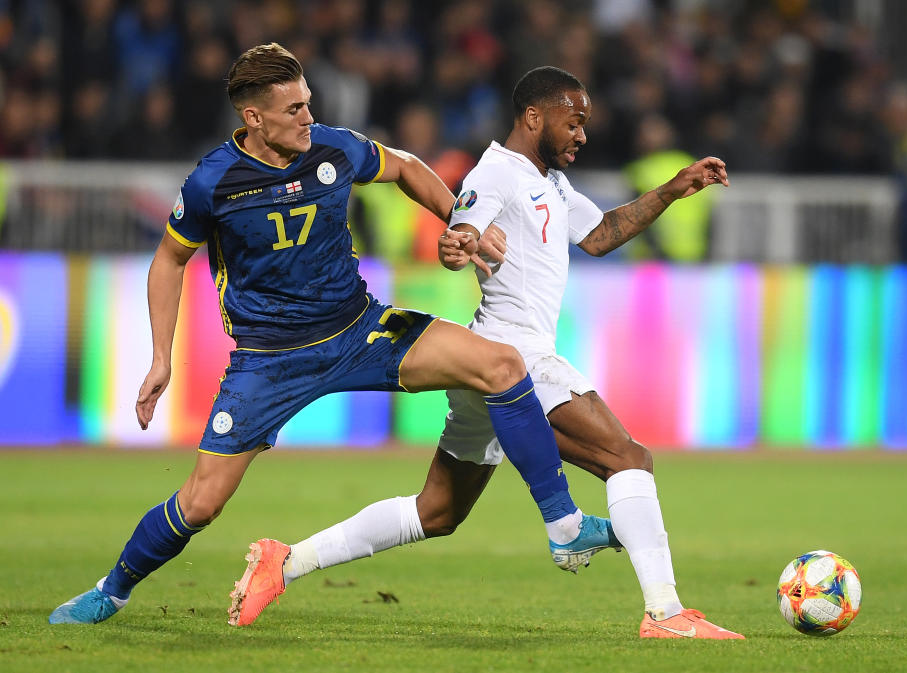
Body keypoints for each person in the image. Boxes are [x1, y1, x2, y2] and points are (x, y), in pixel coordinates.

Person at [48, 45, 616, 626]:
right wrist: (159, 359)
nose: (307, 119)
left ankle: (564, 526)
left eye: (309, 104)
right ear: (253, 118)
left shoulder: (333, 148)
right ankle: (110, 591)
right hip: (269, 361)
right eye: (293, 109)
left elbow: (405, 167)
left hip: (358, 329)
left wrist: (461, 223)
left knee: (502, 365)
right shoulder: (212, 182)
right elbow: (168, 261)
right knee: (201, 502)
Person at [240, 66, 744, 640]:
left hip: (488, 366)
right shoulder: (497, 173)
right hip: (515, 358)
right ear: (534, 117)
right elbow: (462, 232)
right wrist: (460, 243)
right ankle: (665, 612)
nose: (582, 134)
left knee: (437, 512)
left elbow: (601, 233)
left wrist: (672, 190)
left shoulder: (549, 181)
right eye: (573, 122)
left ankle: (286, 562)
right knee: (627, 459)